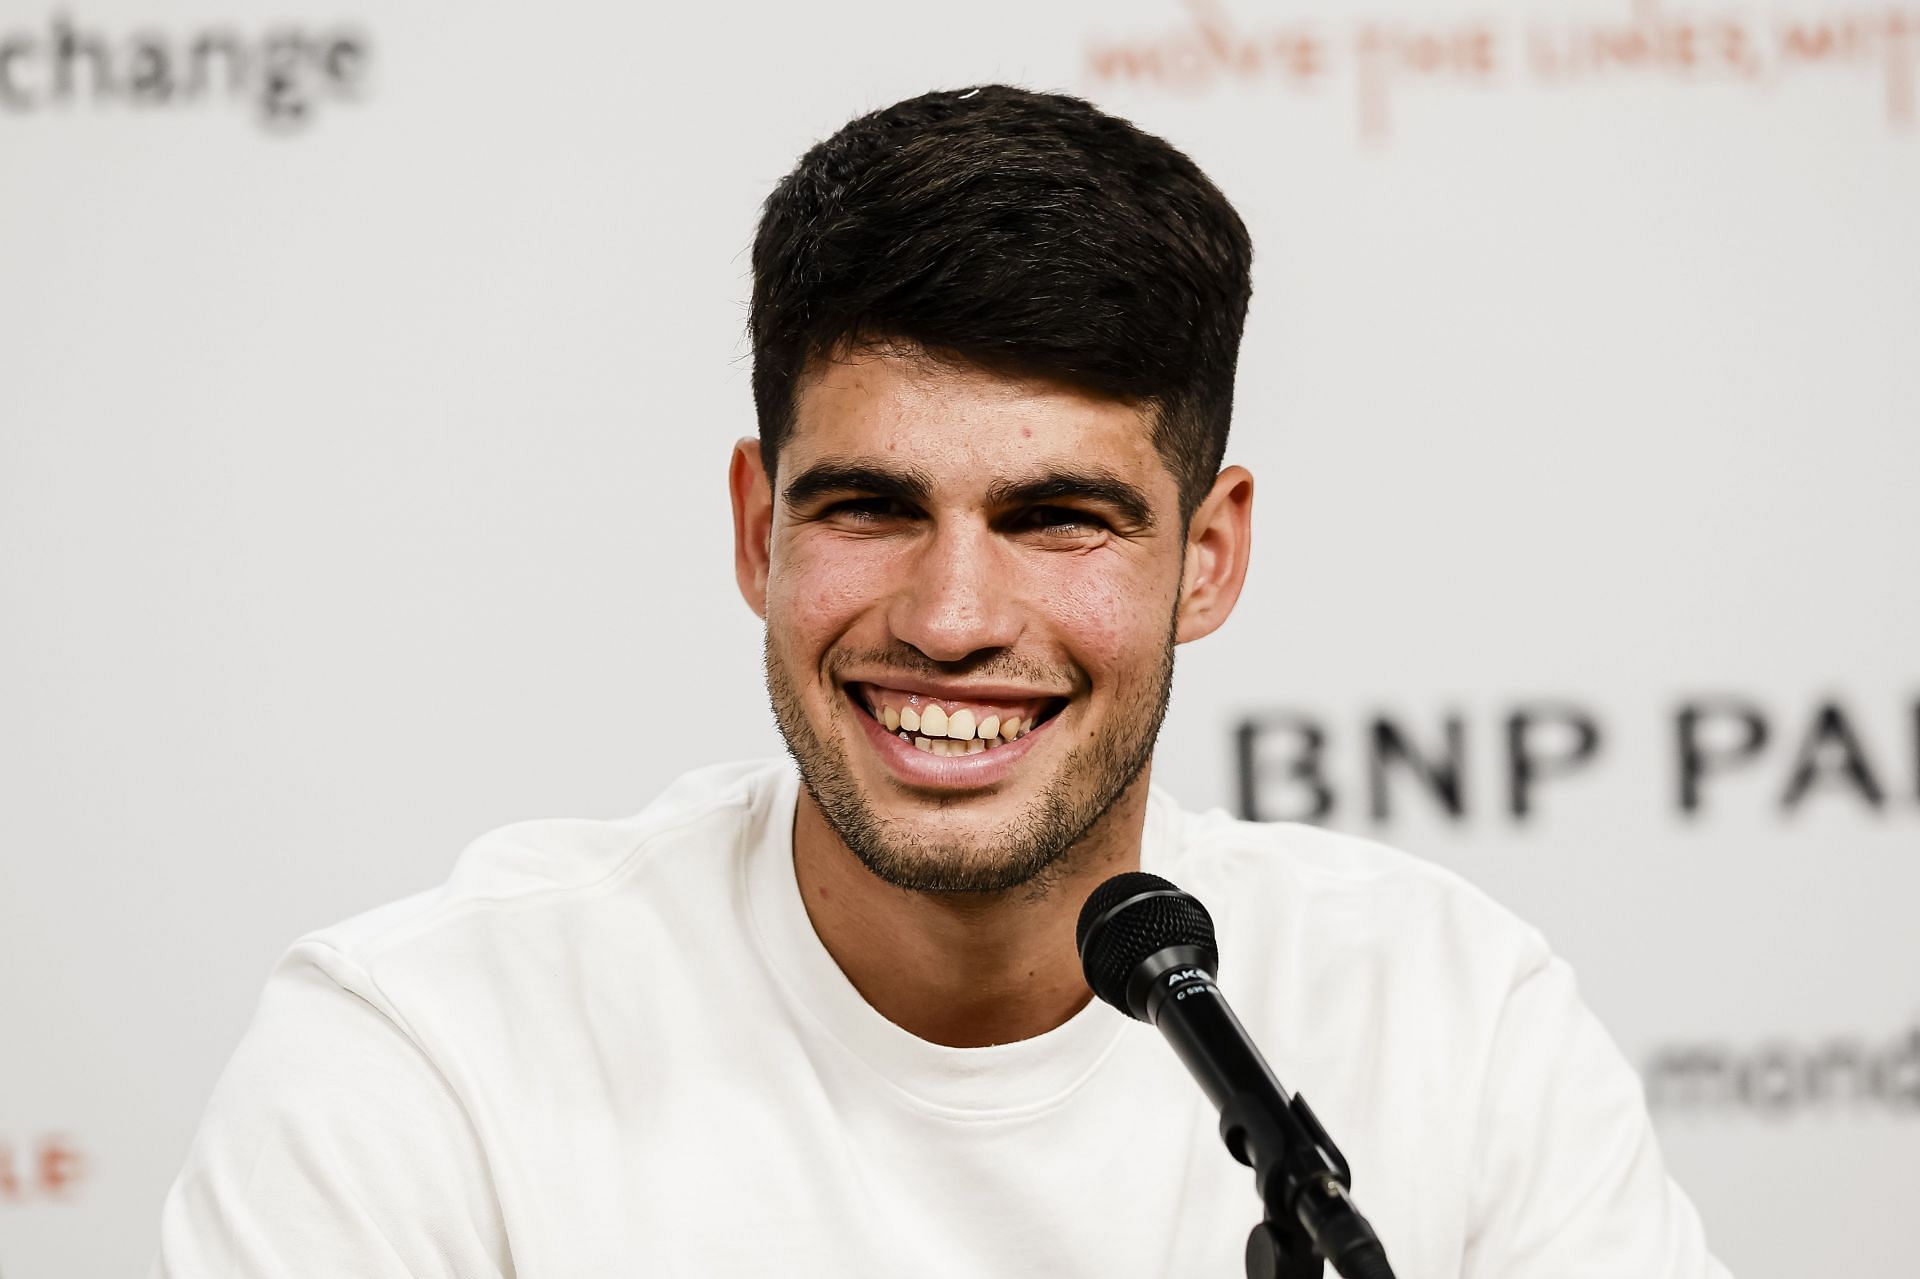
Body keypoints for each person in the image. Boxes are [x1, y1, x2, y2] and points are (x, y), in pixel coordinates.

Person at [152, 85, 1728, 1277]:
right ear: (759, 530)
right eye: (871, 506)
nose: (955, 618)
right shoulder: (429, 1053)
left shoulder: (1457, 1023)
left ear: (1209, 556)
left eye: (1057, 519)